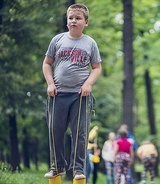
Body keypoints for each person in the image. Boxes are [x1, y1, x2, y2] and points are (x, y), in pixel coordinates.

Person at [43, 3, 102, 180]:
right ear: (67, 20)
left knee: (80, 133)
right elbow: (47, 63)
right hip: (57, 94)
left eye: (78, 18)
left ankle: (78, 169)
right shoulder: (57, 40)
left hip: (80, 96)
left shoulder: (90, 43)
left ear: (86, 22)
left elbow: (97, 68)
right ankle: (58, 166)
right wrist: (50, 83)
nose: (73, 21)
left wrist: (88, 84)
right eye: (70, 18)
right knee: (55, 130)